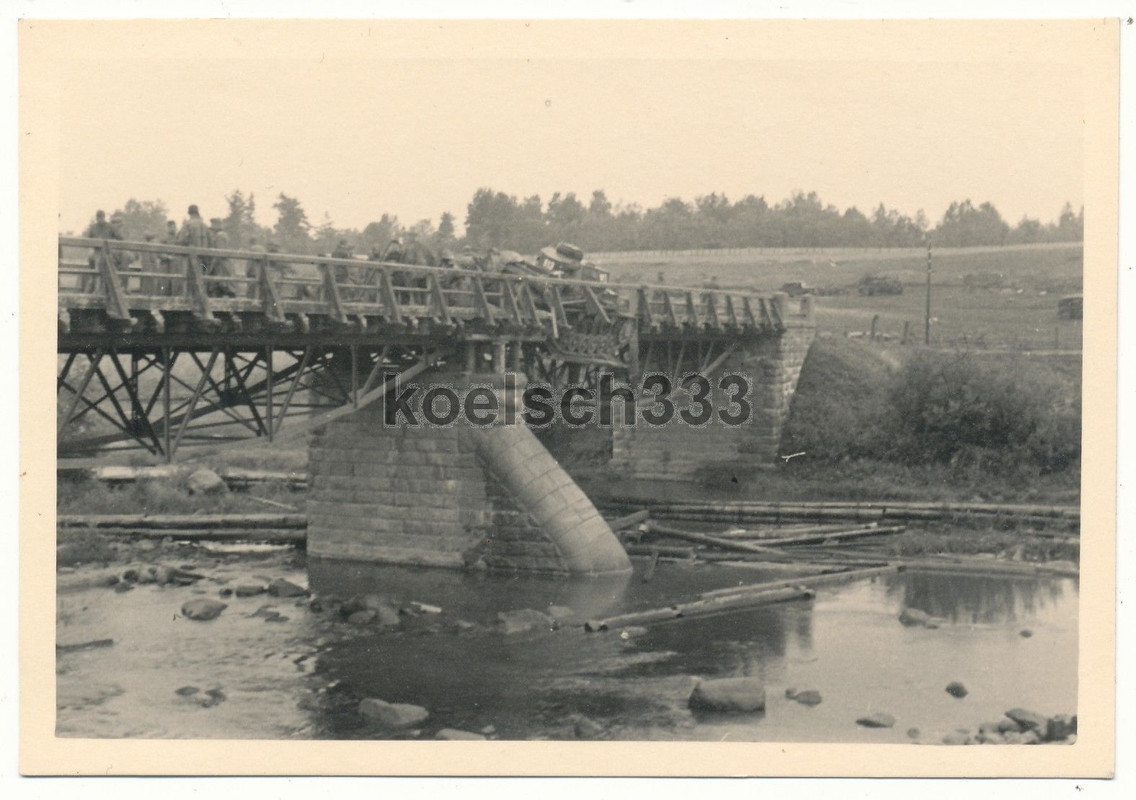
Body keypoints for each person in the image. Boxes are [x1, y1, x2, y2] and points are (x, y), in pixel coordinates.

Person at [177, 205, 210, 280]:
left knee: (190, 279)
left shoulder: (188, 224)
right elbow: (210, 242)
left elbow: (181, 240)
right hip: (204, 257)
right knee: (202, 279)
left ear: (189, 213)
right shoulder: (205, 225)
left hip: (191, 257)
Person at [208, 218, 235, 297]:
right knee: (222, 286)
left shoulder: (220, 236)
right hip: (222, 264)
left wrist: (212, 266)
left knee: (225, 286)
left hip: (221, 265)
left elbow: (220, 252)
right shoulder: (222, 235)